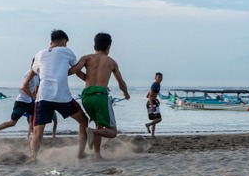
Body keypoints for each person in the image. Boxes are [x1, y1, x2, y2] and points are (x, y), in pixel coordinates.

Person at [21, 29, 88, 161]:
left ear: (51, 42)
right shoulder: (66, 51)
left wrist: (25, 84)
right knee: (83, 121)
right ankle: (80, 154)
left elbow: (33, 71)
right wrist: (89, 80)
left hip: (43, 97)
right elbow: (77, 70)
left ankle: (33, 157)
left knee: (37, 133)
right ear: (64, 42)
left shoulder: (40, 54)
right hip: (62, 97)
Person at [69, 32, 130, 160]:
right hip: (100, 96)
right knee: (112, 132)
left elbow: (75, 71)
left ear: (94, 46)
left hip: (86, 96)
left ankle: (94, 154)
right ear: (108, 48)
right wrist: (125, 93)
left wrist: (88, 81)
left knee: (99, 124)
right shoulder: (111, 62)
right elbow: (121, 82)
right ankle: (92, 133)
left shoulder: (86, 58)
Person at [0, 59, 39, 140]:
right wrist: (33, 97)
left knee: (37, 118)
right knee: (12, 123)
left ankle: (34, 137)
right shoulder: (28, 74)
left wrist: (38, 97)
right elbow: (24, 88)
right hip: (21, 102)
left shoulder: (37, 75)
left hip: (29, 103)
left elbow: (36, 89)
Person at [145, 72, 163, 138]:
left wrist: (156, 99)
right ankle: (148, 125)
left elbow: (147, 95)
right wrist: (152, 105)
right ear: (155, 78)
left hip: (153, 102)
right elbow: (149, 96)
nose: (160, 79)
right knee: (159, 119)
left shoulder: (158, 85)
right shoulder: (155, 84)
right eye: (158, 77)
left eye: (161, 78)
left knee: (155, 119)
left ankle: (152, 135)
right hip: (151, 103)